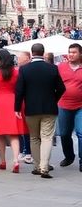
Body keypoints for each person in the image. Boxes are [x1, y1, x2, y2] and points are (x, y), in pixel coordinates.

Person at [15, 43, 65, 178]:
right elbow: (62, 88)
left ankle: (37, 166)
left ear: (32, 53)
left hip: (31, 108)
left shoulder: (24, 70)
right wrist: (53, 99)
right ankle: (44, 167)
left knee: (34, 137)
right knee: (47, 138)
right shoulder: (53, 68)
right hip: (49, 108)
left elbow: (19, 90)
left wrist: (17, 107)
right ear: (43, 53)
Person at [0, 49, 27, 173]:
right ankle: (15, 160)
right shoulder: (17, 72)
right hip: (14, 102)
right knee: (14, 134)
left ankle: (2, 161)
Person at [55, 42, 82, 171]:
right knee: (65, 134)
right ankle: (69, 156)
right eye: (69, 52)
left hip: (80, 106)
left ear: (80, 54)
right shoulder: (61, 66)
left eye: (74, 52)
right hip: (63, 105)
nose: (70, 55)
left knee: (81, 133)